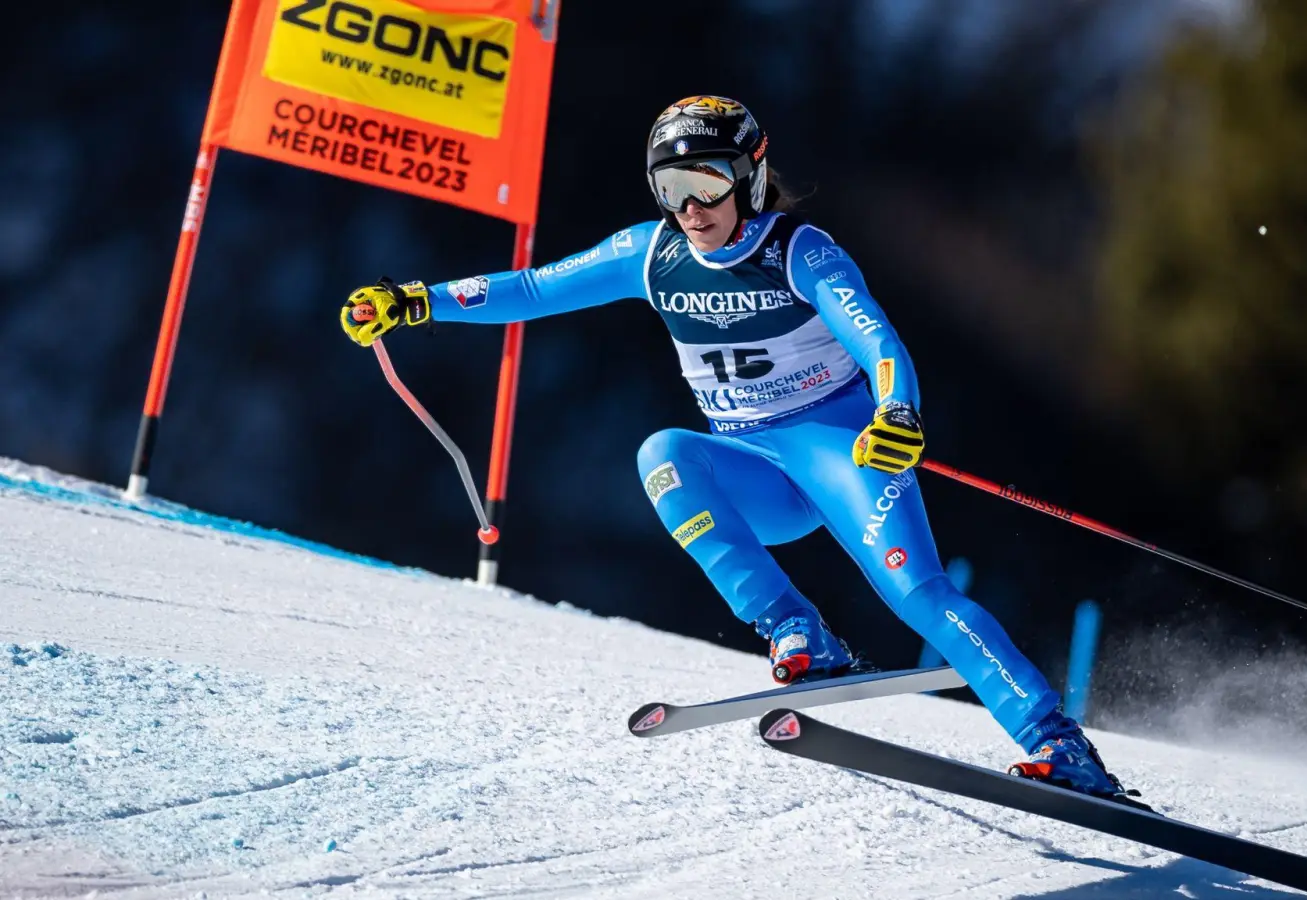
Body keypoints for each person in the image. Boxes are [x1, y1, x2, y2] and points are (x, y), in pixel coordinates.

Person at [339, 95, 1140, 804]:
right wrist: (416, 302)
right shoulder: (651, 257)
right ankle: (799, 633)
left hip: (845, 454)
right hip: (758, 470)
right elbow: (537, 288)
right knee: (663, 454)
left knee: (920, 596)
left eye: (709, 184)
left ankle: (1058, 745)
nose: (691, 207)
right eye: (671, 189)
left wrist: (898, 408)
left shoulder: (800, 250)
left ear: (752, 176)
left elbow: (877, 336)